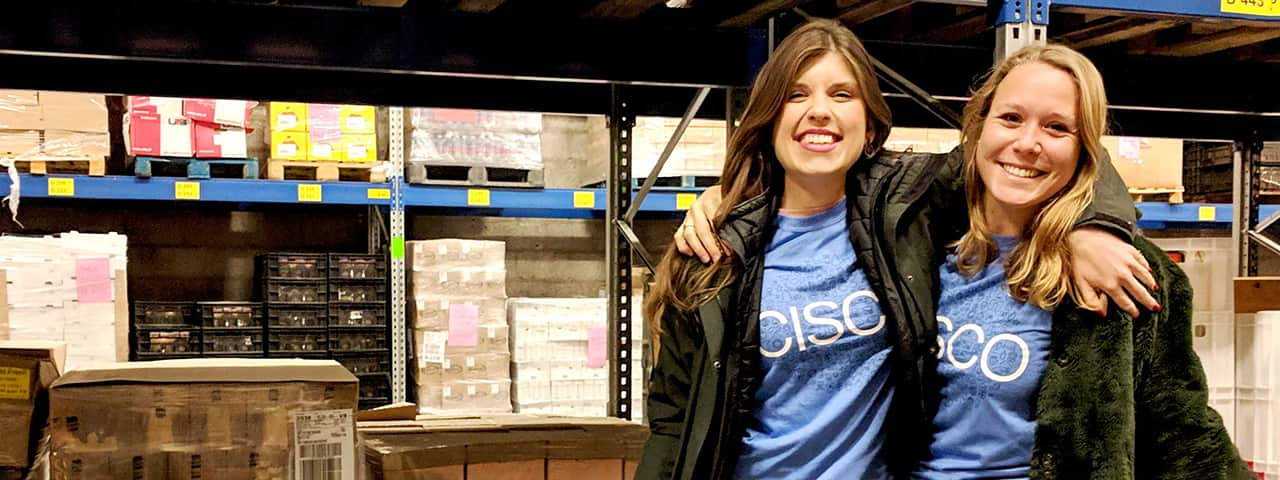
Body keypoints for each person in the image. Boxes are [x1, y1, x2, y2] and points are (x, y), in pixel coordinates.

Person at [637, 19, 1149, 480]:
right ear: (769, 119)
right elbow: (671, 422)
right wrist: (720, 201)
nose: (819, 111)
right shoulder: (712, 254)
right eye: (796, 95)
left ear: (870, 123)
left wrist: (1095, 226)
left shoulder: (908, 210)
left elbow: (1031, 149)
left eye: (842, 94)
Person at [907, 44, 1248, 478]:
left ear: (1084, 150)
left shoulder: (1129, 272)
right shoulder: (916, 244)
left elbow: (1184, 432)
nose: (1027, 144)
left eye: (1056, 128)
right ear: (979, 125)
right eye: (1011, 118)